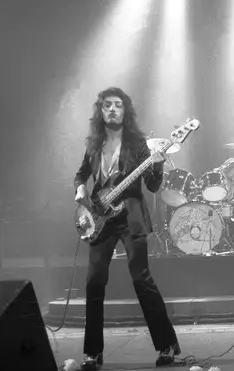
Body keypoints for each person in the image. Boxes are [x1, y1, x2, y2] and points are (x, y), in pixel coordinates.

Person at [74, 87, 181, 370]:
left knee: (141, 279)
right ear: (101, 110)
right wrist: (79, 189)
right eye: (107, 105)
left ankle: (167, 346)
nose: (112, 109)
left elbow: (153, 186)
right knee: (94, 283)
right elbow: (81, 174)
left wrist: (157, 165)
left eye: (117, 105)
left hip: (130, 218)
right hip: (99, 217)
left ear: (125, 111)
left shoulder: (138, 144)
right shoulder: (94, 143)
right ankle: (92, 354)